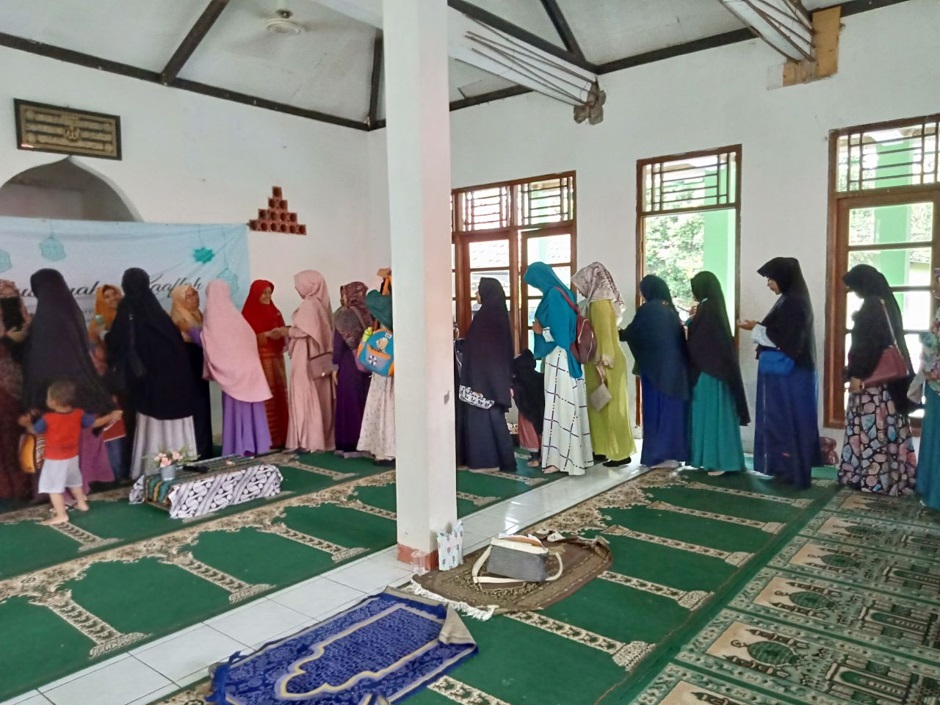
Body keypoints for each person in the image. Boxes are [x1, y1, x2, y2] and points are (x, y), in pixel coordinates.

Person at [22, 269, 115, 491]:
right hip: (82, 389)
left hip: (52, 396)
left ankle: (60, 494)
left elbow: (35, 361)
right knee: (79, 442)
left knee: (56, 449)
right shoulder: (73, 312)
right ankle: (80, 488)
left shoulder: (43, 318)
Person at [738, 257, 820, 489]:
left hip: (792, 375)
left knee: (789, 420)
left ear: (783, 278)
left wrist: (755, 328)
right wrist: (758, 326)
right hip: (789, 373)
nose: (769, 284)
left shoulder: (794, 302)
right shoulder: (789, 299)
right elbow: (780, 330)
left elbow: (786, 338)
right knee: (780, 420)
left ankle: (793, 471)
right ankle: (784, 468)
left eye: (771, 279)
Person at [108, 268, 196, 478]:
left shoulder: (128, 307)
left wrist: (103, 337)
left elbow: (118, 342)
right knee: (172, 417)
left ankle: (153, 468)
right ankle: (182, 463)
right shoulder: (156, 310)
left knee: (154, 422)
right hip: (174, 379)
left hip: (149, 380)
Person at [837, 264, 917, 495]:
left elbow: (867, 347)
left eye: (854, 287)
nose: (854, 292)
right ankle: (893, 477)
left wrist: (856, 374)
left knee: (872, 430)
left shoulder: (871, 306)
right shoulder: (887, 303)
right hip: (889, 385)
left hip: (872, 385)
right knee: (888, 429)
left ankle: (873, 478)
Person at [524, 262, 593, 475]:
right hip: (567, 359)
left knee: (559, 409)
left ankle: (562, 461)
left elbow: (561, 336)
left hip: (559, 359)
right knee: (567, 407)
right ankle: (576, 458)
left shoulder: (553, 296)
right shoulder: (565, 294)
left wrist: (539, 331)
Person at [19, 380, 121, 525]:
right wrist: (110, 416)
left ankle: (61, 515)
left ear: (53, 402)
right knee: (74, 481)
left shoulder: (48, 419)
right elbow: (94, 423)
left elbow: (34, 431)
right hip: (72, 455)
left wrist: (26, 423)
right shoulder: (79, 414)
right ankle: (81, 503)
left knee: (53, 487)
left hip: (54, 459)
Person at [622, 275, 690, 469]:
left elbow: (633, 333)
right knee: (672, 411)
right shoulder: (669, 308)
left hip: (655, 371)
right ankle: (675, 455)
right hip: (676, 370)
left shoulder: (649, 310)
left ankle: (659, 455)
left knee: (656, 412)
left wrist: (614, 332)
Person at [572, 262, 636, 468]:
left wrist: (603, 361)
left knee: (612, 407)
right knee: (598, 405)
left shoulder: (600, 303)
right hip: (598, 361)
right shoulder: (595, 301)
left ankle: (620, 453)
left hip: (605, 362)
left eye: (582, 283)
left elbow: (605, 334)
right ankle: (601, 448)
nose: (580, 288)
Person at [686, 272, 749, 476]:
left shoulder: (708, 307)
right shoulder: (712, 305)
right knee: (716, 415)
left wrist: (688, 325)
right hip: (716, 370)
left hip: (709, 371)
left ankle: (718, 461)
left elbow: (699, 340)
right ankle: (719, 460)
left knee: (712, 416)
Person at [202, 279, 272, 457]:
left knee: (237, 409)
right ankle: (257, 444)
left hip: (233, 373)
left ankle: (239, 448)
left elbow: (209, 340)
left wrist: (193, 332)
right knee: (251, 406)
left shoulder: (213, 314)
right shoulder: (235, 315)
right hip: (250, 369)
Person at [458, 278, 516, 472]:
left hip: (482, 378)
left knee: (481, 418)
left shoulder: (486, 318)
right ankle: (502, 460)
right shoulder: (497, 314)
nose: (476, 294)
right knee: (494, 417)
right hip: (493, 377)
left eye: (479, 290)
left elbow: (480, 349)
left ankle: (485, 461)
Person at [286, 270, 335, 453]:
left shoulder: (309, 304)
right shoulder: (321, 304)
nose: (297, 289)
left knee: (303, 395)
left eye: (299, 285)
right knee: (318, 397)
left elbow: (304, 331)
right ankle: (314, 438)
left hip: (305, 357)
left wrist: (286, 332)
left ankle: (307, 440)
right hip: (317, 358)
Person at [241, 280, 289, 448]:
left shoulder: (275, 312)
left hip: (276, 360)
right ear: (255, 294)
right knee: (265, 397)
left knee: (278, 395)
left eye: (269, 293)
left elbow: (283, 331)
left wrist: (282, 334)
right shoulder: (247, 314)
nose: (267, 296)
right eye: (264, 293)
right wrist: (266, 335)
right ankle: (266, 438)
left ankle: (282, 436)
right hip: (258, 360)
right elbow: (244, 339)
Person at [170, 285, 213, 459]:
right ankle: (197, 450)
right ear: (180, 300)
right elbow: (199, 341)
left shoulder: (198, 315)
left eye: (195, 294)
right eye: (189, 296)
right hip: (188, 370)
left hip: (199, 367)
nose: (195, 298)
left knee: (203, 407)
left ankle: (205, 448)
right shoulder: (179, 319)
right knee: (196, 408)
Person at [357, 284, 396, 465]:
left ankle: (384, 450)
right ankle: (393, 449)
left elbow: (373, 299)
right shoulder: (400, 306)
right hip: (394, 366)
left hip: (383, 367)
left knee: (384, 406)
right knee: (393, 408)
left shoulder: (386, 306)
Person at [332, 282, 372, 457]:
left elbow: (338, 343)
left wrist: (335, 366)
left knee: (348, 403)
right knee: (363, 402)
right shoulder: (369, 312)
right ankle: (365, 443)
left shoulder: (344, 314)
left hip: (349, 364)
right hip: (368, 361)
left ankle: (348, 445)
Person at [0, 279, 31, 501]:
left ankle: (21, 486)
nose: (8, 301)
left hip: (21, 386)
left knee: (19, 434)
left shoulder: (24, 319)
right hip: (6, 388)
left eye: (11, 297)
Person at [912, 267, 940, 508]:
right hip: (935, 383)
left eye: (937, 281)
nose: (934, 287)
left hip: (937, 384)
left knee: (936, 439)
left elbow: (934, 351)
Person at [512, 350, 544, 468]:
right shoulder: (540, 377)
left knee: (530, 435)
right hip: (541, 412)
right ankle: (541, 457)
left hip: (527, 414)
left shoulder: (518, 382)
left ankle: (535, 459)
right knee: (541, 434)